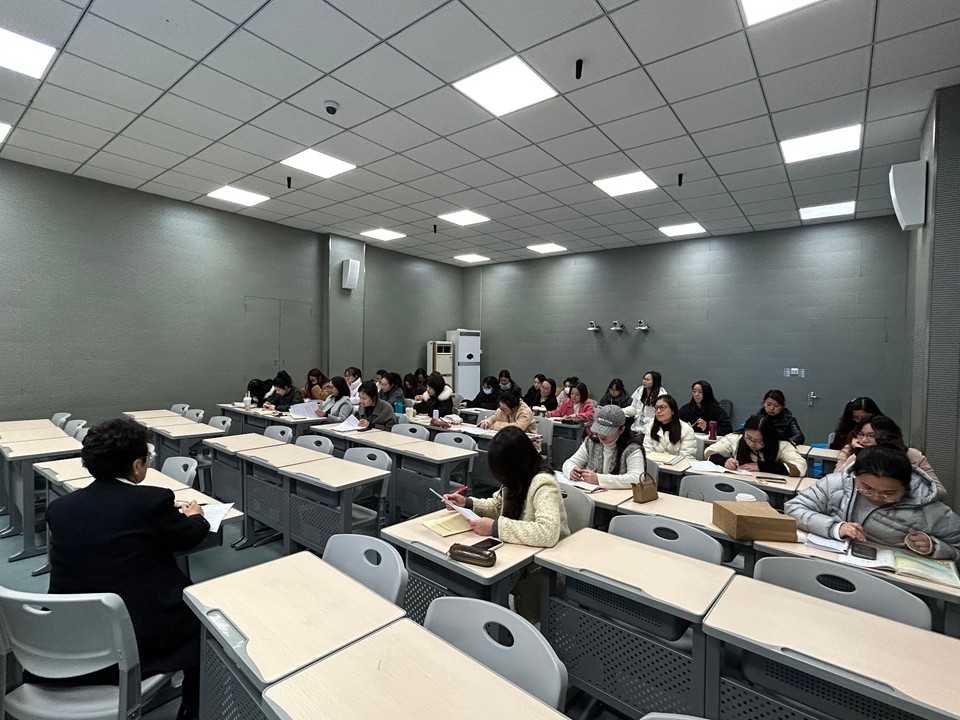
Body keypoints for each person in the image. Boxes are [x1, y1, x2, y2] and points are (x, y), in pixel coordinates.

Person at [44, 418, 209, 720]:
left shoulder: (60, 508)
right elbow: (188, 537)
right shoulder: (152, 501)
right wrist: (196, 516)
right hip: (132, 636)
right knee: (204, 621)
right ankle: (192, 708)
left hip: (70, 633)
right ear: (136, 466)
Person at [443, 426, 569, 619]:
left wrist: (495, 528)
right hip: (515, 552)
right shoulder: (516, 479)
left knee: (486, 584)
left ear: (515, 464)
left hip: (542, 568)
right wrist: (468, 502)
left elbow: (548, 532)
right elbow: (497, 505)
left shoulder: (544, 483)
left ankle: (499, 622)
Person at [785, 446, 960, 560]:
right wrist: (835, 528)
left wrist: (934, 547)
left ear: (907, 487)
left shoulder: (928, 509)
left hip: (890, 581)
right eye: (867, 488)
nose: (876, 497)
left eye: (889, 493)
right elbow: (793, 508)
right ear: (855, 476)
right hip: (831, 560)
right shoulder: (836, 484)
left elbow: (956, 546)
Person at [834, 415, 943, 496]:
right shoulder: (854, 453)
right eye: (861, 434)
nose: (864, 440)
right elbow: (835, 484)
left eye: (872, 436)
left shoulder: (912, 455)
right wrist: (859, 455)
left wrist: (898, 492)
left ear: (888, 436)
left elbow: (939, 491)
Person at [562, 405, 645, 488]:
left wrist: (599, 479)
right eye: (599, 429)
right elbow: (569, 462)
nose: (602, 434)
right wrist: (571, 471)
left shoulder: (632, 449)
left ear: (622, 430)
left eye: (607, 431)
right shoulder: (591, 443)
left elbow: (637, 478)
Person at [705, 414, 807, 476]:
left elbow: (800, 467)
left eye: (759, 441)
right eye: (748, 438)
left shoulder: (782, 445)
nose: (752, 443)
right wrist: (724, 461)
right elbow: (709, 452)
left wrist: (762, 466)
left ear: (768, 439)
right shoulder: (736, 438)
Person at [642, 395, 697, 459]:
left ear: (673, 410)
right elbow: (647, 452)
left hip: (678, 465)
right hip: (655, 464)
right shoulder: (650, 427)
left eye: (662, 407)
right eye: (656, 408)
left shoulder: (686, 430)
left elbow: (687, 457)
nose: (658, 411)